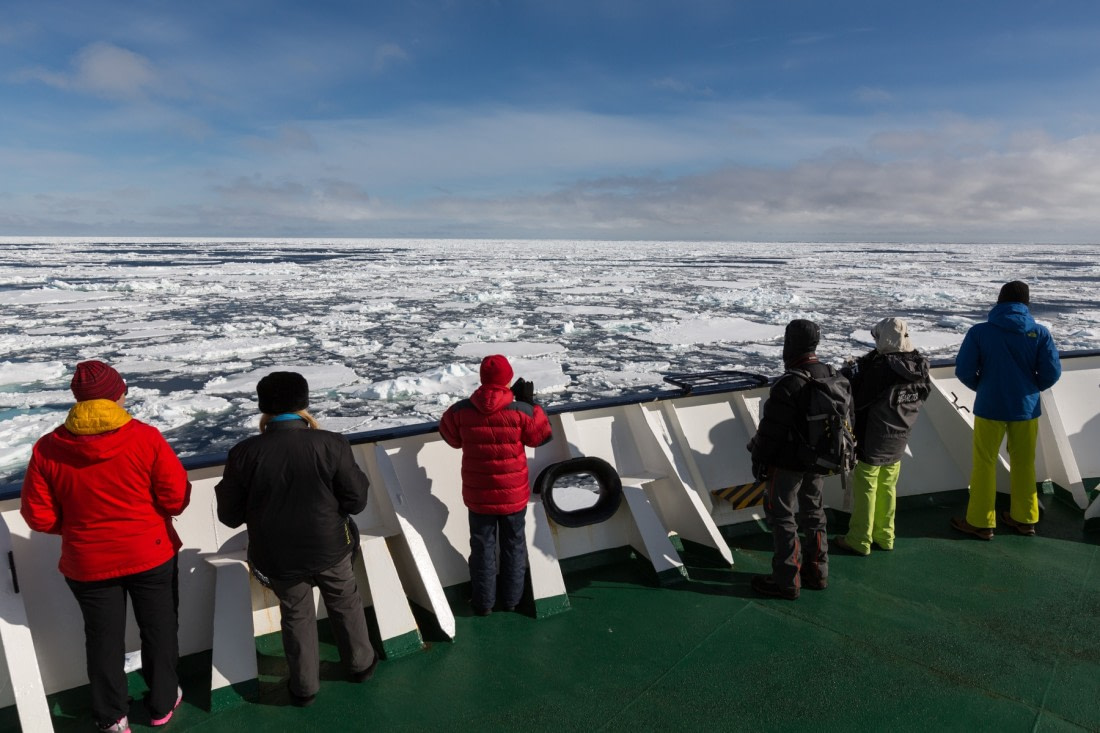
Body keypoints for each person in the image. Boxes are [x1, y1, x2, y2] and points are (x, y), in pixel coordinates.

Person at [20, 360, 191, 733]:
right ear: (119, 394)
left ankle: (112, 716)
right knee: (160, 629)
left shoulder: (48, 448)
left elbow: (37, 516)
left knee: (102, 638)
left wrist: (80, 529)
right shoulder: (145, 438)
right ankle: (162, 703)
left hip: (89, 561)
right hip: (150, 553)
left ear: (77, 399)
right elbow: (176, 497)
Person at [215, 372, 376, 707]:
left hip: (277, 555)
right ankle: (360, 666)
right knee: (344, 600)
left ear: (265, 408)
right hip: (330, 547)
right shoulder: (331, 443)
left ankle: (304, 688)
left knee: (295, 614)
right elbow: (356, 501)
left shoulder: (243, 453)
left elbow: (229, 516)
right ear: (304, 403)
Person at [439, 354, 552, 615]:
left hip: (478, 497)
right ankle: (512, 601)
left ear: (482, 378)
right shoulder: (521, 412)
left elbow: (450, 437)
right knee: (514, 545)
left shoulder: (461, 410)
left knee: (481, 547)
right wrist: (530, 404)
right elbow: (540, 437)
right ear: (508, 379)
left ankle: (483, 603)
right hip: (513, 497)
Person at [952, 281, 1062, 539]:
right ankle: (1025, 519)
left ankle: (980, 522)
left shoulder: (980, 332)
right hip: (1025, 408)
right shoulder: (1040, 333)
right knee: (1024, 463)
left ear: (1000, 302)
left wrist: (985, 386)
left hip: (990, 406)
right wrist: (1030, 388)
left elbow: (964, 370)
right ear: (1026, 303)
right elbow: (1052, 372)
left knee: (984, 463)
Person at [747, 319, 844, 600]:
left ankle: (786, 580)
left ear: (790, 344)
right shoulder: (832, 375)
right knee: (814, 513)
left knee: (782, 516)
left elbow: (770, 434)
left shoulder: (788, 385)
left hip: (789, 464)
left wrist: (759, 459)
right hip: (819, 461)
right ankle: (817, 571)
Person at [834, 318, 931, 556]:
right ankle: (885, 535)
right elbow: (923, 394)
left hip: (873, 437)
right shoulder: (919, 366)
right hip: (900, 436)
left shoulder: (881, 369)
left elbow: (860, 399)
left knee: (867, 486)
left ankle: (859, 539)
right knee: (888, 486)